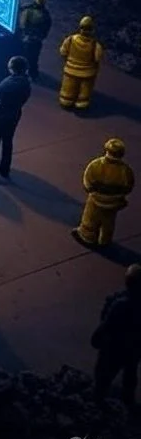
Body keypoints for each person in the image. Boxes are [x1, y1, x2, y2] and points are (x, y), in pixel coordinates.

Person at [91, 264, 141, 407]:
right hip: (132, 349)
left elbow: (107, 324)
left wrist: (97, 337)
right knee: (129, 375)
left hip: (115, 348)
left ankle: (98, 401)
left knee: (104, 376)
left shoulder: (120, 303)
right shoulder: (123, 301)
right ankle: (127, 401)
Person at [71, 139, 135, 248]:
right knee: (108, 222)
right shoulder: (125, 170)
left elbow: (88, 181)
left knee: (90, 218)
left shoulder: (96, 165)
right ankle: (105, 240)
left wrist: (92, 191)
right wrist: (118, 196)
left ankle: (88, 237)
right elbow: (128, 186)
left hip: (96, 198)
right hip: (114, 202)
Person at [59, 15, 104, 111]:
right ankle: (81, 103)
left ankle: (66, 101)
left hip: (70, 70)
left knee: (68, 90)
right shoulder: (95, 45)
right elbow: (97, 58)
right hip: (87, 73)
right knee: (84, 91)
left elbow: (63, 52)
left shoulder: (70, 39)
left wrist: (68, 61)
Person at [19, 0, 52, 81]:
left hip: (27, 38)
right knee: (33, 58)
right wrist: (41, 37)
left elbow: (22, 24)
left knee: (24, 56)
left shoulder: (28, 9)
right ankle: (33, 74)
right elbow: (46, 27)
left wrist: (24, 34)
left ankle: (22, 72)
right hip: (36, 40)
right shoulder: (45, 14)